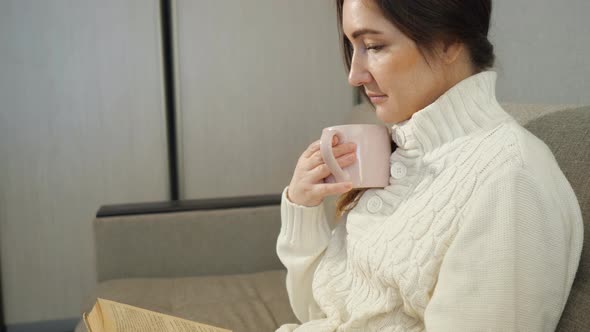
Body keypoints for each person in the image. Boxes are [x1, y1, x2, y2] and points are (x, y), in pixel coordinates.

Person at [276, 0, 584, 331]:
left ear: (448, 40)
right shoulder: (401, 153)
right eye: (352, 47)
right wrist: (302, 209)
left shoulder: (511, 180)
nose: (354, 75)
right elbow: (317, 311)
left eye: (373, 46)